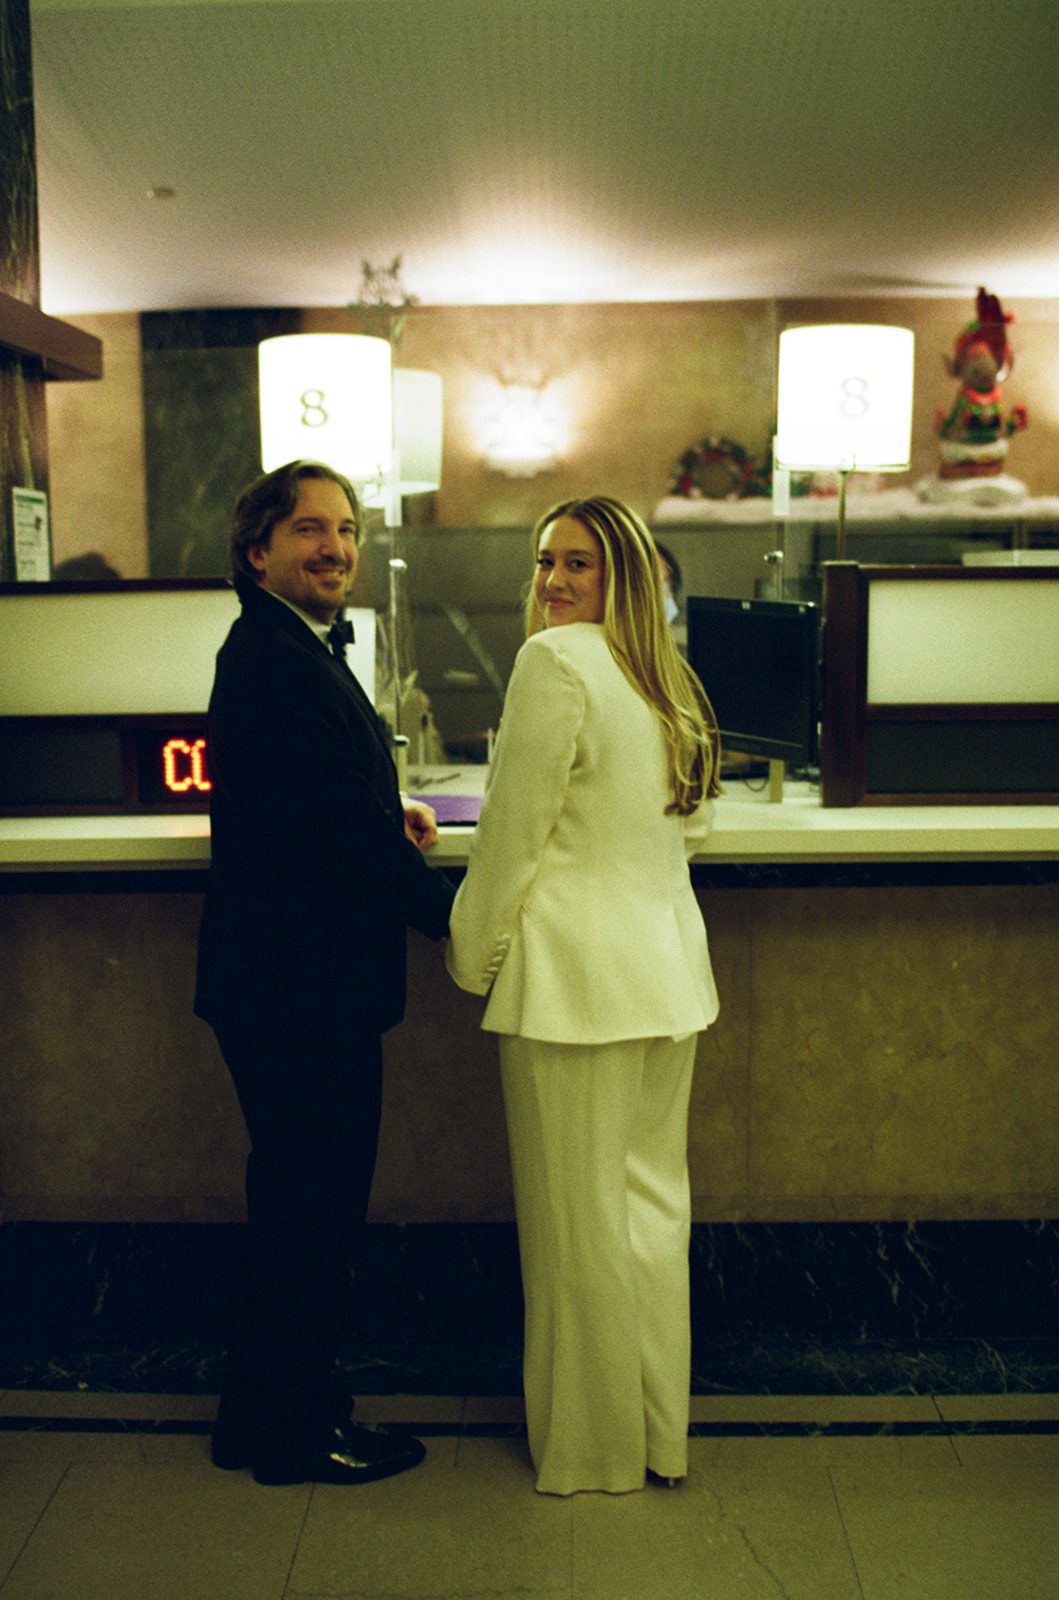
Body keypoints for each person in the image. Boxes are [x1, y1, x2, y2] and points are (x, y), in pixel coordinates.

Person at [445, 495, 721, 1496]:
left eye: (578, 563)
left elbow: (510, 834)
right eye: (544, 561)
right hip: (667, 980)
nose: (553, 581)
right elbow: (692, 828)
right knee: (649, 1214)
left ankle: (592, 1452)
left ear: (623, 576)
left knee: (575, 1227)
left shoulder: (553, 663)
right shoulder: (666, 677)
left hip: (571, 988)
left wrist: (469, 956)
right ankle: (658, 1438)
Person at [194, 458, 454, 1487]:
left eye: (346, 530)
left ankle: (255, 1421)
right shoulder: (277, 658)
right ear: (257, 549)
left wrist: (389, 809)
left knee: (291, 1212)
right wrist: (458, 923)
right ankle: (296, 1436)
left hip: (282, 985)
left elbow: (318, 798)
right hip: (301, 994)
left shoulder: (280, 644)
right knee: (312, 1219)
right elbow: (337, 834)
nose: (336, 548)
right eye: (310, 529)